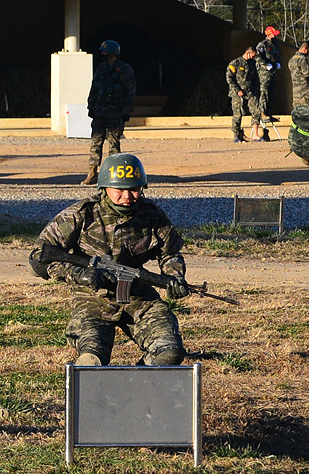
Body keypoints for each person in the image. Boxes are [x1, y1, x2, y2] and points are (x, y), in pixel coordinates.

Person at [30, 152, 187, 367]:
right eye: (119, 190)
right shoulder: (81, 214)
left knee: (169, 353)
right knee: (92, 360)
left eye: (133, 190)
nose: (127, 196)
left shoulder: (151, 214)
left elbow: (170, 253)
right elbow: (39, 255)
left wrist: (174, 277)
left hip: (138, 296)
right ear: (104, 188)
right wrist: (76, 273)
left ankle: (138, 386)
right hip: (92, 299)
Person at [81, 40, 136, 186]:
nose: (102, 54)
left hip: (116, 113)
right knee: (95, 143)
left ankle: (115, 173)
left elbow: (130, 92)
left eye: (104, 52)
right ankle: (92, 173)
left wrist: (126, 111)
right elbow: (94, 88)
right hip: (100, 111)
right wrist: (91, 106)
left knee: (113, 144)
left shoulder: (125, 69)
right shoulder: (101, 68)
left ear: (112, 53)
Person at [226, 47, 264, 142]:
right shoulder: (235, 63)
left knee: (256, 111)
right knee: (237, 114)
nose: (253, 58)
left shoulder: (252, 64)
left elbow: (255, 78)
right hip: (237, 93)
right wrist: (237, 90)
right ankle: (237, 135)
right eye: (252, 56)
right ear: (247, 53)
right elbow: (229, 78)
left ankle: (255, 134)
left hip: (250, 91)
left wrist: (255, 91)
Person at [255, 26, 282, 122]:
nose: (275, 36)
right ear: (268, 34)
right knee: (264, 92)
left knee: (272, 92)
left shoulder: (275, 45)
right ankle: (262, 113)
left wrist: (279, 63)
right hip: (264, 72)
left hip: (273, 71)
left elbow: (278, 56)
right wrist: (265, 64)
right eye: (273, 34)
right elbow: (257, 56)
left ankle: (269, 113)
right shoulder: (263, 44)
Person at [288, 40, 309, 109]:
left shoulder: (291, 59)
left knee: (297, 113)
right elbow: (307, 73)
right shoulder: (302, 59)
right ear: (305, 48)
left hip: (295, 92)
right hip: (304, 91)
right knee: (305, 112)